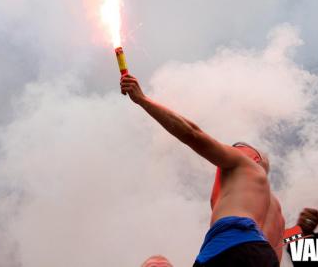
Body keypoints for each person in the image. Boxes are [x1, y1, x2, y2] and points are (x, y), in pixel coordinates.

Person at [121, 75, 285, 266]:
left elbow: (192, 134)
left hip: (229, 247)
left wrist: (142, 99)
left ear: (256, 159)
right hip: (262, 257)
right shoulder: (274, 211)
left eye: (237, 147)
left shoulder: (243, 163)